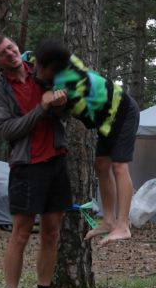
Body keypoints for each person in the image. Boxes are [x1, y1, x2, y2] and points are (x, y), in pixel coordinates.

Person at [0, 34, 72, 288]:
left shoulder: (42, 72)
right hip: (26, 166)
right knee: (20, 234)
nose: (9, 54)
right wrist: (42, 108)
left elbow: (64, 114)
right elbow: (8, 129)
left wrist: (60, 102)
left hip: (56, 161)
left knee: (51, 232)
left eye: (10, 47)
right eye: (1, 54)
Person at [29, 39, 140, 246]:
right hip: (106, 119)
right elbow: (27, 57)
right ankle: (108, 221)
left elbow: (55, 108)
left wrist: (54, 102)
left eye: (38, 67)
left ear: (50, 69)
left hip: (123, 111)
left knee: (118, 166)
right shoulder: (55, 61)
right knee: (101, 165)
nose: (34, 69)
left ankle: (123, 225)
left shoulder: (66, 85)